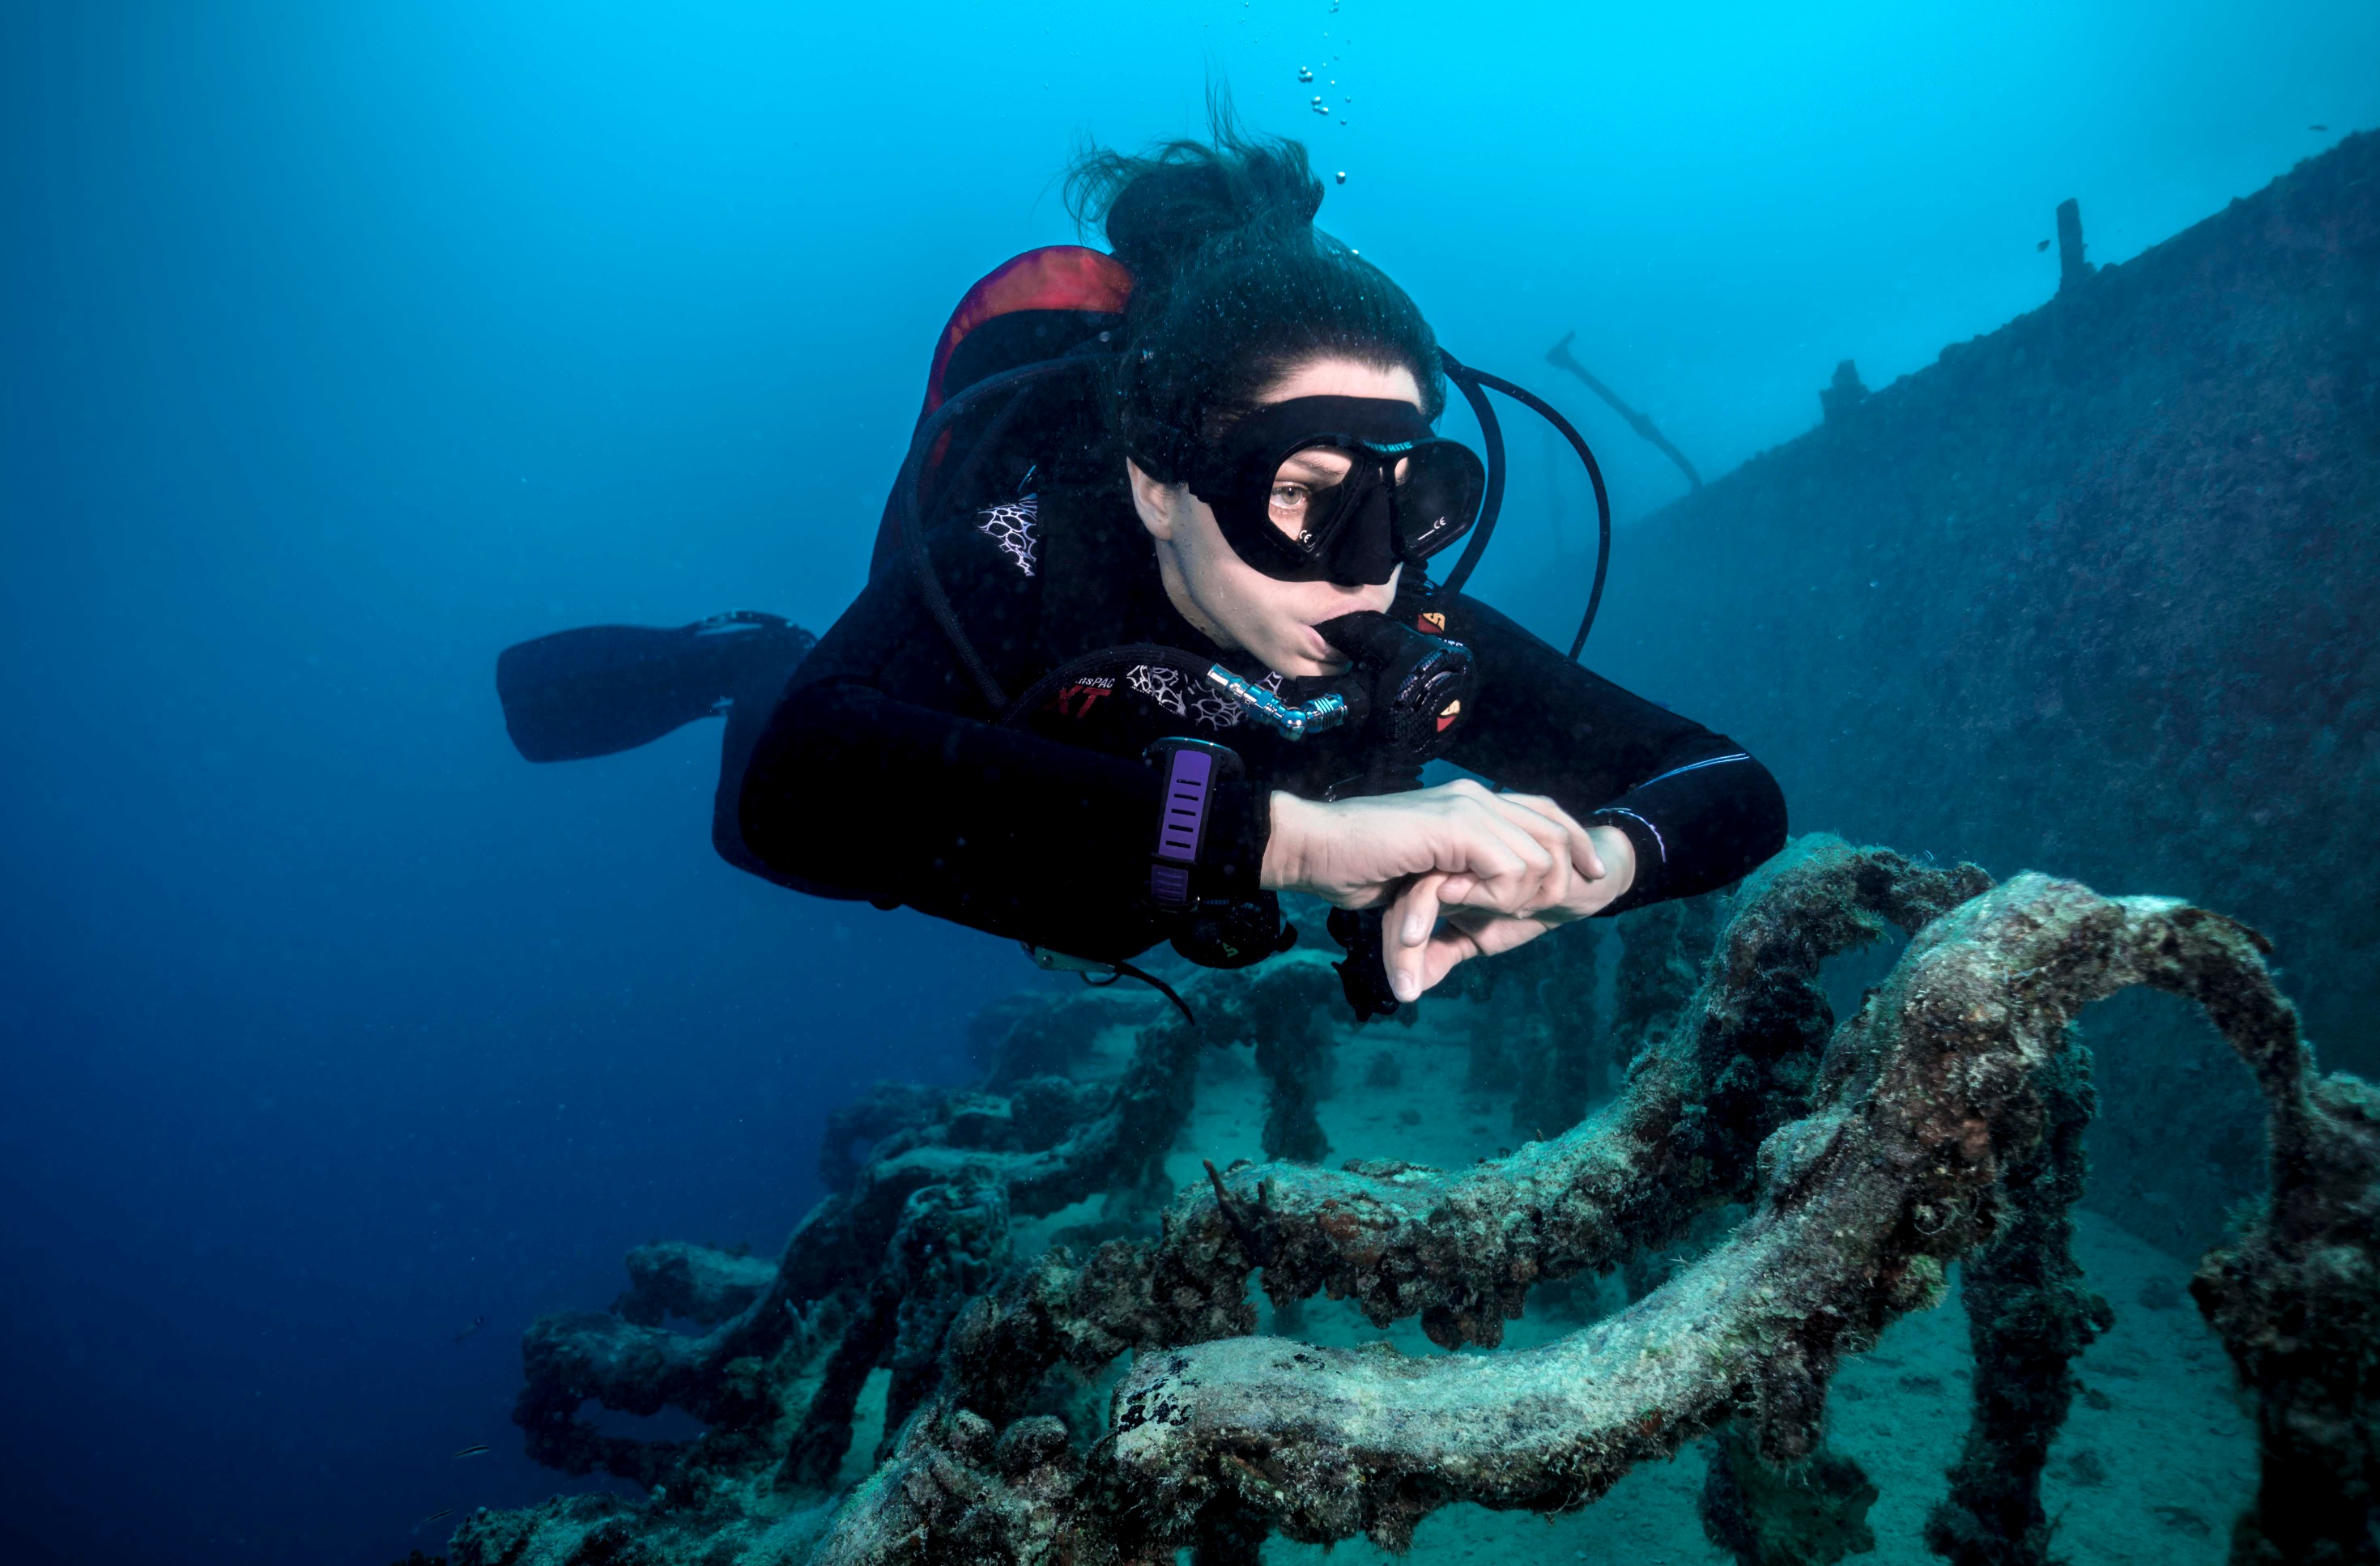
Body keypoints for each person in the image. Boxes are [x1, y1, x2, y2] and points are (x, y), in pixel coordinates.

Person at [729, 123, 1786, 1012]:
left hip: (1145, 881)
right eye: (1301, 493)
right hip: (977, 817)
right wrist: (1294, 844)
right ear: (1159, 485)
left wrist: (1600, 869)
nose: (1369, 573)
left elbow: (1727, 785)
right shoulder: (1028, 557)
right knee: (776, 736)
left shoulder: (1396, 616)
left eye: (1405, 500)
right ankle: (746, 650)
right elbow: (790, 794)